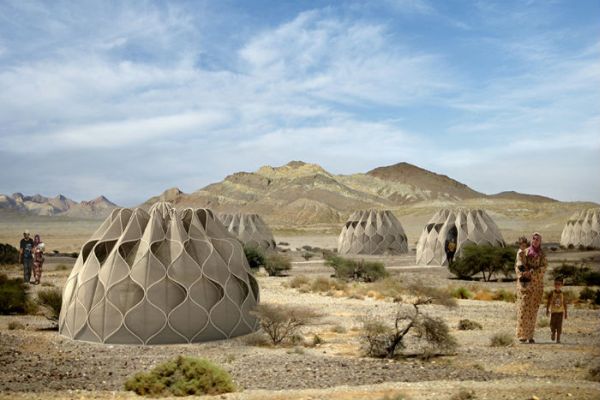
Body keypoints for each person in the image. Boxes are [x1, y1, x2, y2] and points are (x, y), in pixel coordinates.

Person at [515, 232, 547, 343]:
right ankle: (522, 335)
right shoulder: (525, 252)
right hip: (525, 285)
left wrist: (533, 272)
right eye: (534, 238)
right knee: (523, 308)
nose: (535, 240)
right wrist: (523, 273)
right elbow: (518, 265)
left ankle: (530, 335)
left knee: (533, 310)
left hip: (537, 286)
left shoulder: (542, 254)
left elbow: (544, 268)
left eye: (537, 239)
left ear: (540, 241)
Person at [546, 276, 567, 343]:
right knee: (552, 325)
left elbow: (564, 303)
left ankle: (558, 339)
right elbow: (548, 302)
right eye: (556, 284)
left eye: (559, 284)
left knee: (559, 326)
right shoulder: (552, 293)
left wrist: (566, 313)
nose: (557, 285)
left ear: (562, 285)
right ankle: (553, 332)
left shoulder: (562, 294)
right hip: (553, 312)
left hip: (560, 312)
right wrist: (547, 310)